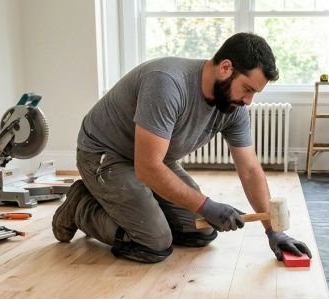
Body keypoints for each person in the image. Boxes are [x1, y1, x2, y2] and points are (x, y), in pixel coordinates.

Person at [52, 32, 312, 264]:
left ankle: (136, 202)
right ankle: (80, 205)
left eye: (255, 93)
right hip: (106, 156)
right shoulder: (167, 83)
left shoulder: (234, 108)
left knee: (201, 231)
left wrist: (273, 230)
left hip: (154, 159)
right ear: (225, 68)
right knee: (153, 244)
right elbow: (147, 167)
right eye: (247, 89)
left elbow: (250, 170)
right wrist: (206, 205)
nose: (248, 101)